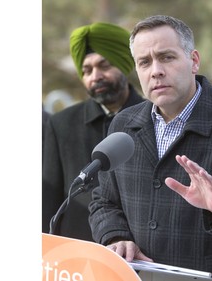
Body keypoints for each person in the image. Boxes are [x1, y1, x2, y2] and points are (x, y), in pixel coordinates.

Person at [88, 15, 212, 281]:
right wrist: (115, 235)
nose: (155, 70)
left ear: (194, 61)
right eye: (145, 62)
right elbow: (104, 201)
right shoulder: (123, 124)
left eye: (166, 57)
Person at [42, 22, 144, 241]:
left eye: (104, 66)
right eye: (87, 70)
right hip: (75, 253)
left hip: (135, 250)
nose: (95, 76)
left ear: (125, 64)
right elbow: (48, 200)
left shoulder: (153, 118)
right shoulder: (61, 124)